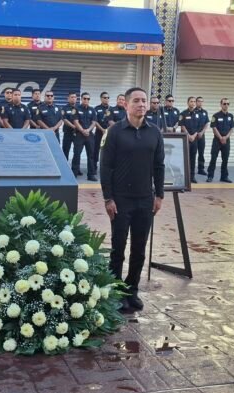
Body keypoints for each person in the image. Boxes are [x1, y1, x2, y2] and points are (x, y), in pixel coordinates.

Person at [100, 87, 164, 313]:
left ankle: (132, 289)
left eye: (144, 100)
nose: (141, 104)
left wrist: (159, 195)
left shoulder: (154, 132)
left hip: (145, 200)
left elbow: (159, 166)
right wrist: (108, 198)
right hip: (121, 200)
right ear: (126, 105)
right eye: (136, 101)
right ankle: (115, 291)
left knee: (139, 248)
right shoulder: (115, 132)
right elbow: (105, 167)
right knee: (118, 248)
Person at [208, 98, 234, 183]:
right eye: (224, 104)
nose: (226, 105)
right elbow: (214, 128)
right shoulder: (216, 115)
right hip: (217, 140)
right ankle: (210, 176)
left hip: (226, 141)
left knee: (225, 159)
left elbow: (232, 128)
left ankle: (224, 177)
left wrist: (225, 137)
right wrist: (220, 137)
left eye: (227, 104)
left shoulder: (231, 116)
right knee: (213, 158)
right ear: (220, 105)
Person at [71, 92, 96, 180]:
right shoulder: (76, 108)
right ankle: (74, 174)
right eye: (84, 98)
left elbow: (94, 122)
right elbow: (75, 121)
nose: (86, 100)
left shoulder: (92, 110)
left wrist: (88, 130)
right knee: (77, 154)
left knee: (91, 155)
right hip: (79, 135)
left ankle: (91, 175)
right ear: (81, 99)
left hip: (89, 135)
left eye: (88, 99)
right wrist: (82, 130)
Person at [178, 97, 201, 184]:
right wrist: (188, 136)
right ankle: (183, 177)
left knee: (193, 158)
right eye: (191, 101)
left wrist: (194, 135)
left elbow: (199, 126)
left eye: (194, 101)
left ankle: (192, 177)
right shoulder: (183, 113)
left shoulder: (198, 114)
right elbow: (182, 125)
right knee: (184, 159)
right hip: (185, 139)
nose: (193, 103)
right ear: (188, 103)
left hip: (194, 139)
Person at [93, 92, 112, 170]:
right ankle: (94, 167)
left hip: (109, 133)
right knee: (96, 150)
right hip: (99, 132)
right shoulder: (96, 109)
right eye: (104, 97)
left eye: (108, 98)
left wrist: (107, 130)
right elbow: (95, 121)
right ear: (101, 98)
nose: (106, 99)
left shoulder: (111, 109)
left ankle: (106, 167)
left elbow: (112, 120)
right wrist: (102, 129)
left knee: (108, 151)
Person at [195, 97, 210, 176]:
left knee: (201, 153)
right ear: (196, 102)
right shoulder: (192, 111)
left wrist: (202, 132)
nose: (200, 103)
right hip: (193, 136)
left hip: (201, 135)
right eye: (199, 101)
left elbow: (206, 123)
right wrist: (196, 133)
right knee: (192, 153)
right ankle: (190, 169)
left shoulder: (204, 112)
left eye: (201, 101)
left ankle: (201, 169)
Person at [62, 92, 78, 161]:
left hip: (77, 133)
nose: (73, 98)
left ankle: (76, 170)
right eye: (71, 97)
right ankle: (64, 168)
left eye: (74, 97)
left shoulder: (79, 108)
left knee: (77, 152)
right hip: (67, 132)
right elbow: (64, 119)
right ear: (68, 99)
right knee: (65, 150)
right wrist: (74, 126)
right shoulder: (64, 108)